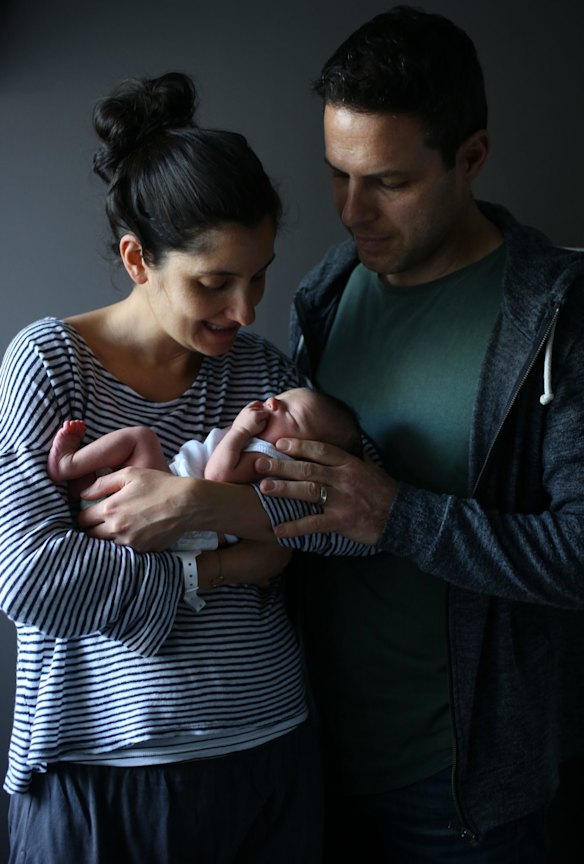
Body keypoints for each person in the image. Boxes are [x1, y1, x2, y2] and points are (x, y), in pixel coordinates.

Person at [242, 6, 584, 863]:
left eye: (388, 182)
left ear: (470, 157)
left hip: (468, 795)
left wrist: (395, 512)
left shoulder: (555, 314)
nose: (352, 212)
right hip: (314, 757)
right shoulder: (326, 290)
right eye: (337, 176)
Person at [0, 71, 342, 864]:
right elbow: (32, 580)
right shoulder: (51, 364)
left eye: (258, 275)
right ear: (137, 258)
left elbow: (353, 525)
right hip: (107, 770)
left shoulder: (260, 372)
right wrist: (226, 570)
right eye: (214, 283)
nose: (248, 309)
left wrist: (198, 508)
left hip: (270, 749)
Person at [47, 388, 362, 592]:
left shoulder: (269, 457)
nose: (274, 402)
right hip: (166, 510)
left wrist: (239, 430)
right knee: (127, 460)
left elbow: (216, 474)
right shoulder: (266, 448)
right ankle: (84, 486)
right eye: (282, 396)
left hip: (174, 516)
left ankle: (68, 466)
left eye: (291, 413)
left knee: (142, 439)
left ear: (306, 452)